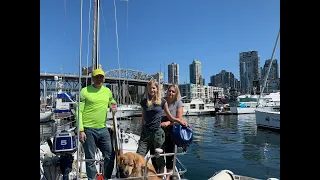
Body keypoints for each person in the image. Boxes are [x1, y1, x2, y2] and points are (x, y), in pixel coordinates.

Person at [136, 80, 187, 177]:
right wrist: (142, 131)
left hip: (163, 132)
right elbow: (143, 118)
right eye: (150, 87)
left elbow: (173, 117)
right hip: (149, 132)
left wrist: (179, 122)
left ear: (157, 89)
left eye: (154, 88)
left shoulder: (167, 102)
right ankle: (140, 176)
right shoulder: (145, 101)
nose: (152, 90)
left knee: (163, 156)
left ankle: (163, 177)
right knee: (143, 156)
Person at [76, 68, 117, 179]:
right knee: (90, 159)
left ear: (104, 78)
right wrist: (81, 130)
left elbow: (111, 100)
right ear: (93, 78)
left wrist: (113, 105)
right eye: (96, 77)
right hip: (88, 129)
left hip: (103, 129)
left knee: (110, 155)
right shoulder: (85, 91)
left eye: (101, 77)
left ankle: (106, 177)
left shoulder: (107, 91)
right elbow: (78, 111)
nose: (99, 79)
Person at [160, 84, 188, 180]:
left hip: (171, 130)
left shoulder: (178, 103)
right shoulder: (162, 101)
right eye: (169, 91)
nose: (171, 93)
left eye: (173, 91)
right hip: (160, 130)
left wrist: (168, 122)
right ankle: (159, 173)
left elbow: (179, 119)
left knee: (169, 154)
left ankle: (167, 177)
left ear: (176, 93)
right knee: (158, 153)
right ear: (167, 91)